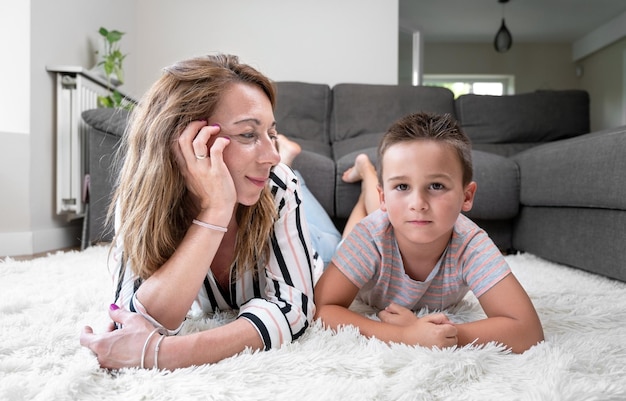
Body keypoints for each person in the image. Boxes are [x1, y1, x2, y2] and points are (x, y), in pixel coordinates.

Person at [80, 54, 322, 370]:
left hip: (316, 246)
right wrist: (215, 211)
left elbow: (294, 311)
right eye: (248, 134)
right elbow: (135, 320)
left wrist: (162, 354)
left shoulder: (277, 183)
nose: (270, 156)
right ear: (186, 140)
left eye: (270, 134)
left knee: (336, 243)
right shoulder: (138, 199)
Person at [313, 112, 544, 354]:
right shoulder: (369, 236)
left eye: (436, 186)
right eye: (402, 186)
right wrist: (405, 335)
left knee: (392, 215)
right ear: (384, 196)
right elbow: (320, 308)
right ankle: (367, 174)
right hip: (366, 236)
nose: (418, 203)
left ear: (467, 196)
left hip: (387, 222)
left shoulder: (470, 244)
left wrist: (442, 335)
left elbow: (528, 330)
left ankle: (368, 182)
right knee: (360, 227)